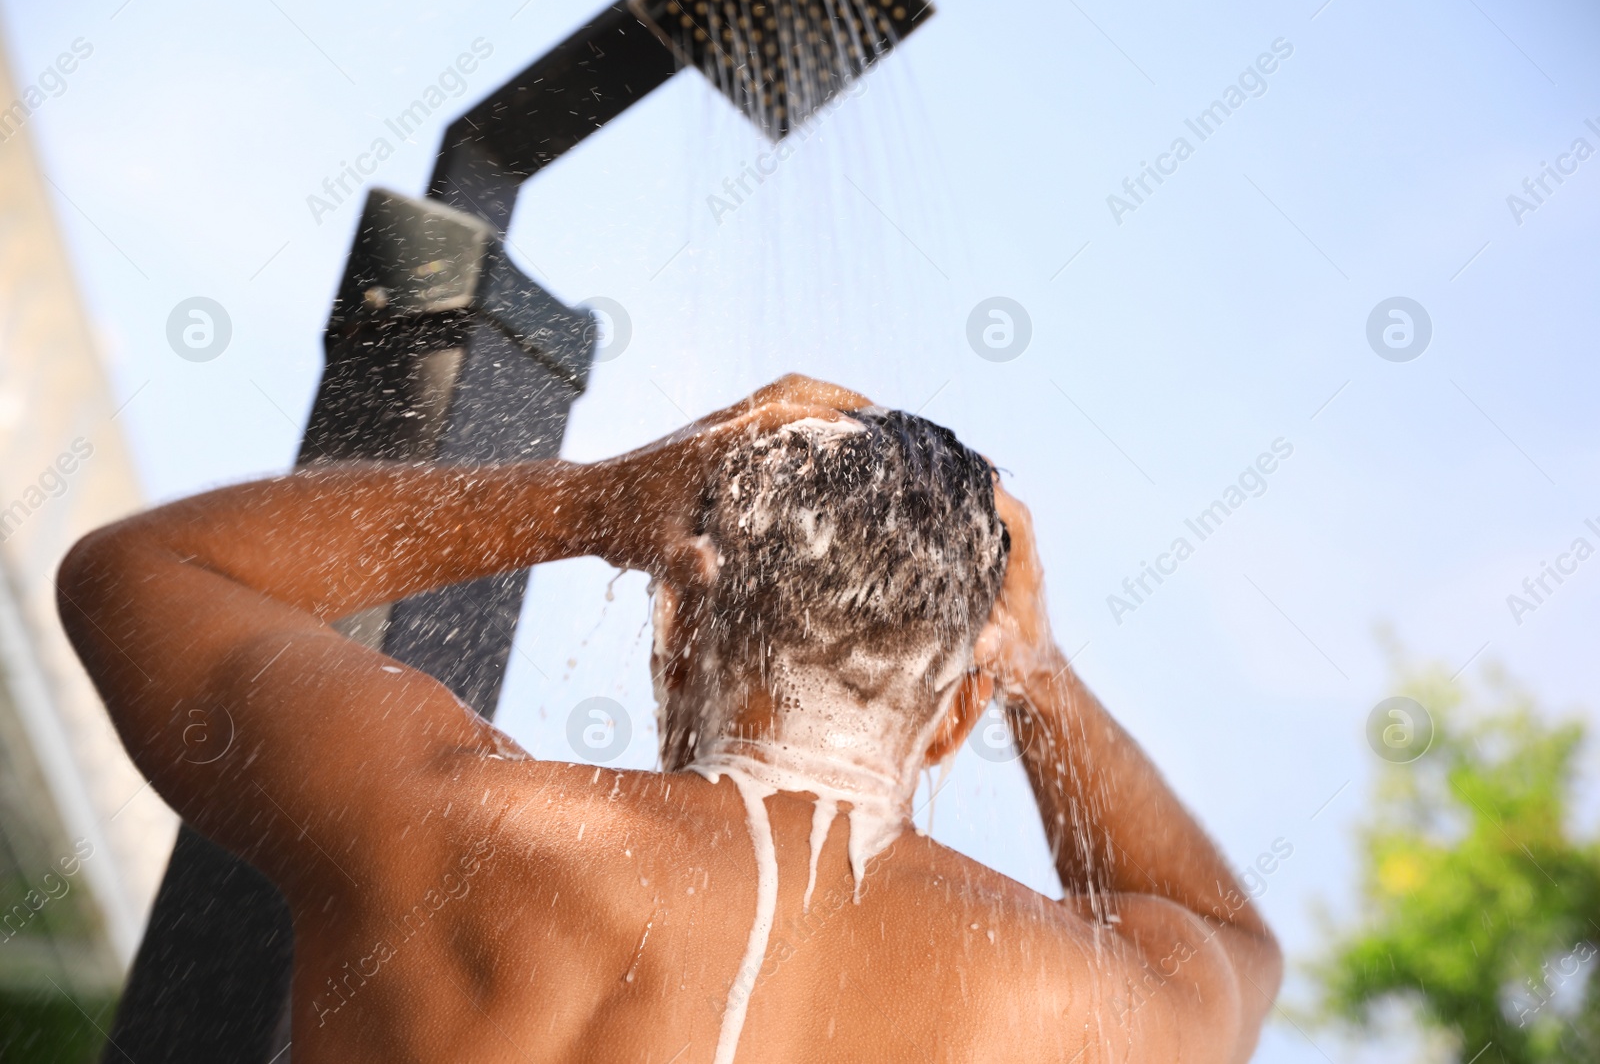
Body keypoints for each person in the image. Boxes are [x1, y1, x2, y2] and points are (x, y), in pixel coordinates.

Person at [59, 375, 1281, 1062]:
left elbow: (134, 576)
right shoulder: (1087, 1009)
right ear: (956, 715)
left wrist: (588, 502)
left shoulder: (455, 822)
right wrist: (1038, 666)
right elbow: (1237, 940)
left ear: (676, 627)